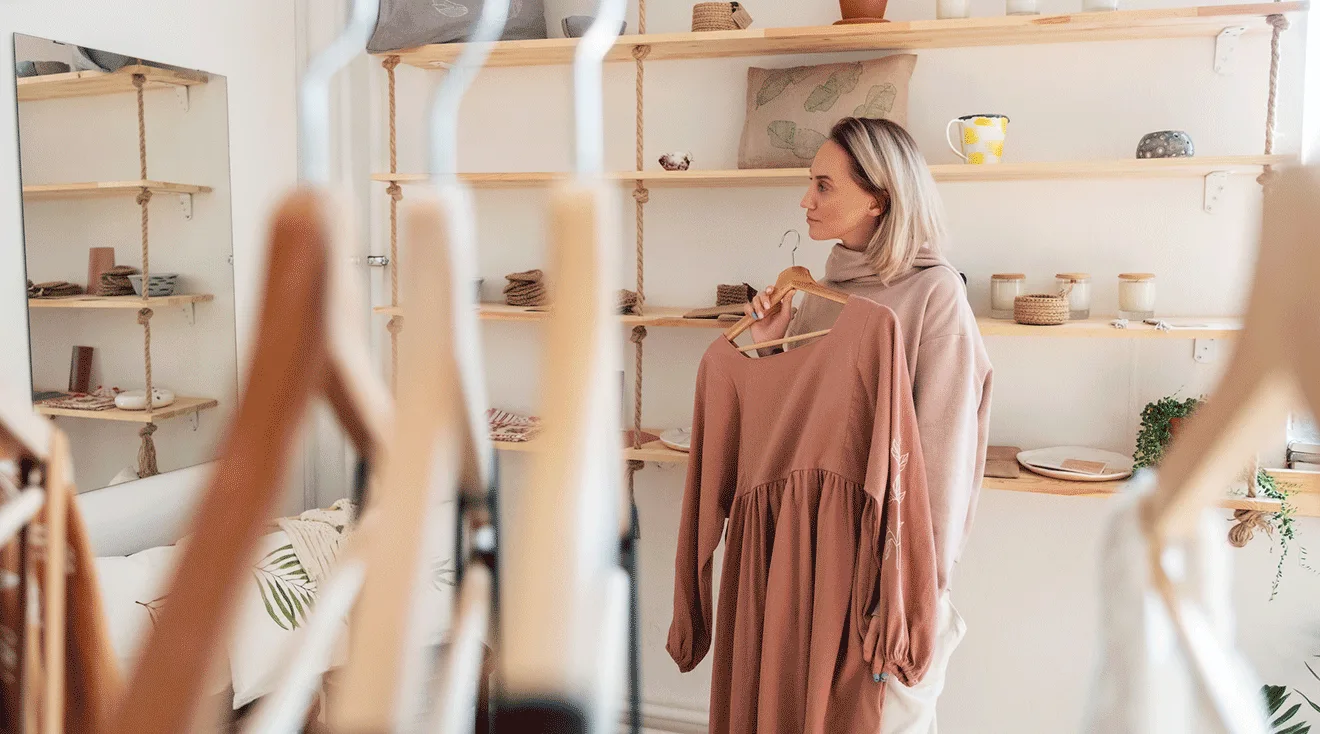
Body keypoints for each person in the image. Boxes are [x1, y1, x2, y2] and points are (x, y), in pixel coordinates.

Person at [743, 116, 993, 733]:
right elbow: (799, 433)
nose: (806, 199)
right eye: (810, 183)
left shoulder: (935, 296)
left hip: (890, 568)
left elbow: (942, 452)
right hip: (812, 555)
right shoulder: (823, 293)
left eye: (824, 185)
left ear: (879, 197)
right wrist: (772, 348)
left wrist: (912, 594)